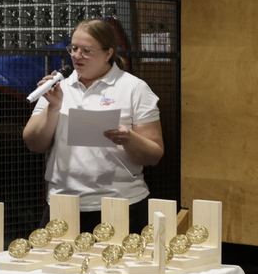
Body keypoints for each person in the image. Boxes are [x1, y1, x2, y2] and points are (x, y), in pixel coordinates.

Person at [22, 19, 164, 233]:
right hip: (63, 202)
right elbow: (33, 143)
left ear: (108, 53)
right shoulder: (58, 87)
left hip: (120, 203)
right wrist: (53, 107)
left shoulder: (134, 88)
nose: (77, 56)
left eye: (86, 51)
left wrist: (128, 138)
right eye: (73, 48)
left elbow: (154, 155)